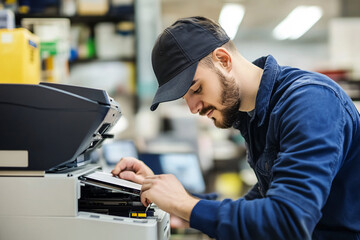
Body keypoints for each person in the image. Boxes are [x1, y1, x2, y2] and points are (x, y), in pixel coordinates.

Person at [112, 16, 360, 239]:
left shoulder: (310, 102)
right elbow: (260, 208)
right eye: (185, 97)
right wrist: (164, 194)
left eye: (196, 89)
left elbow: (287, 221)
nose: (193, 108)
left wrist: (183, 203)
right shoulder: (254, 118)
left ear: (223, 59)